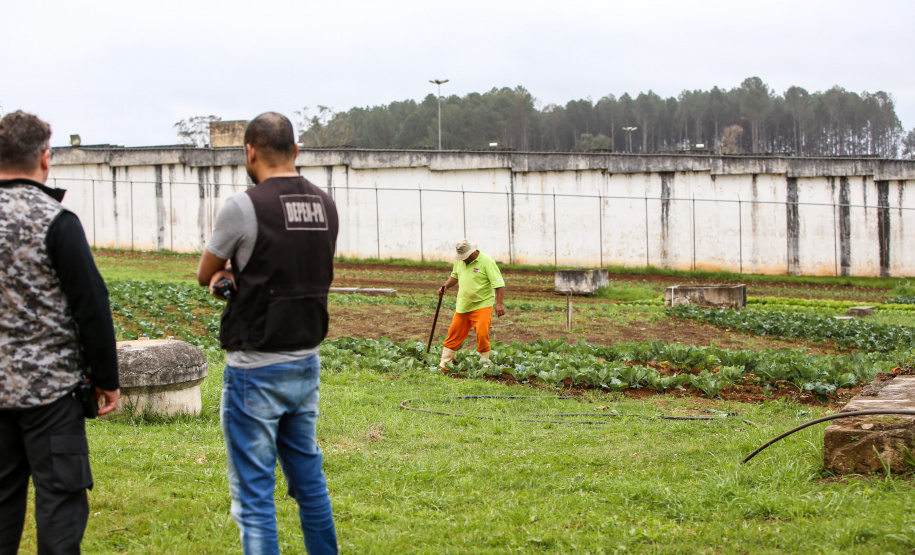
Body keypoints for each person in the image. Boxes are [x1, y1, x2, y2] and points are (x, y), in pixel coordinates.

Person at [196, 112, 338, 555]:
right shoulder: (325, 204)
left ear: (249, 152)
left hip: (255, 367)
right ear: (296, 151)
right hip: (305, 361)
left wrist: (228, 273)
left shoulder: (244, 206)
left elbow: (205, 273)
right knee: (309, 484)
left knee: (255, 498)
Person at [0, 110, 120, 554]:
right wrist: (106, 378)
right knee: (60, 505)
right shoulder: (57, 222)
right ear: (45, 158)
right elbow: (91, 304)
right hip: (50, 394)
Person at [437, 239, 506, 368]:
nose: (462, 259)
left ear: (472, 253)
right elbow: (455, 276)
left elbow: (499, 284)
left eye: (464, 257)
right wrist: (445, 286)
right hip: (463, 304)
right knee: (454, 333)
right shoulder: (460, 261)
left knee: (482, 334)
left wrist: (499, 304)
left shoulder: (486, 261)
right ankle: (445, 365)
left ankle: (484, 365)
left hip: (482, 304)